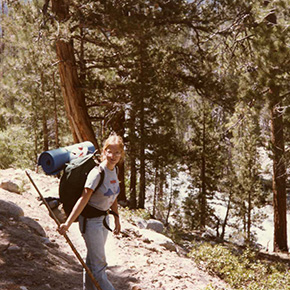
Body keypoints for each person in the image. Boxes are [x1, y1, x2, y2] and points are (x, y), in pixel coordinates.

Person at [58, 133, 125, 290]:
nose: (113, 156)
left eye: (117, 152)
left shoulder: (114, 170)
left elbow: (113, 194)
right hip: (90, 222)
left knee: (92, 262)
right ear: (104, 151)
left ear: (121, 154)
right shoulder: (97, 173)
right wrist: (67, 224)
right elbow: (83, 199)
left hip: (103, 221)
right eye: (110, 151)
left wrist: (116, 218)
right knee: (99, 267)